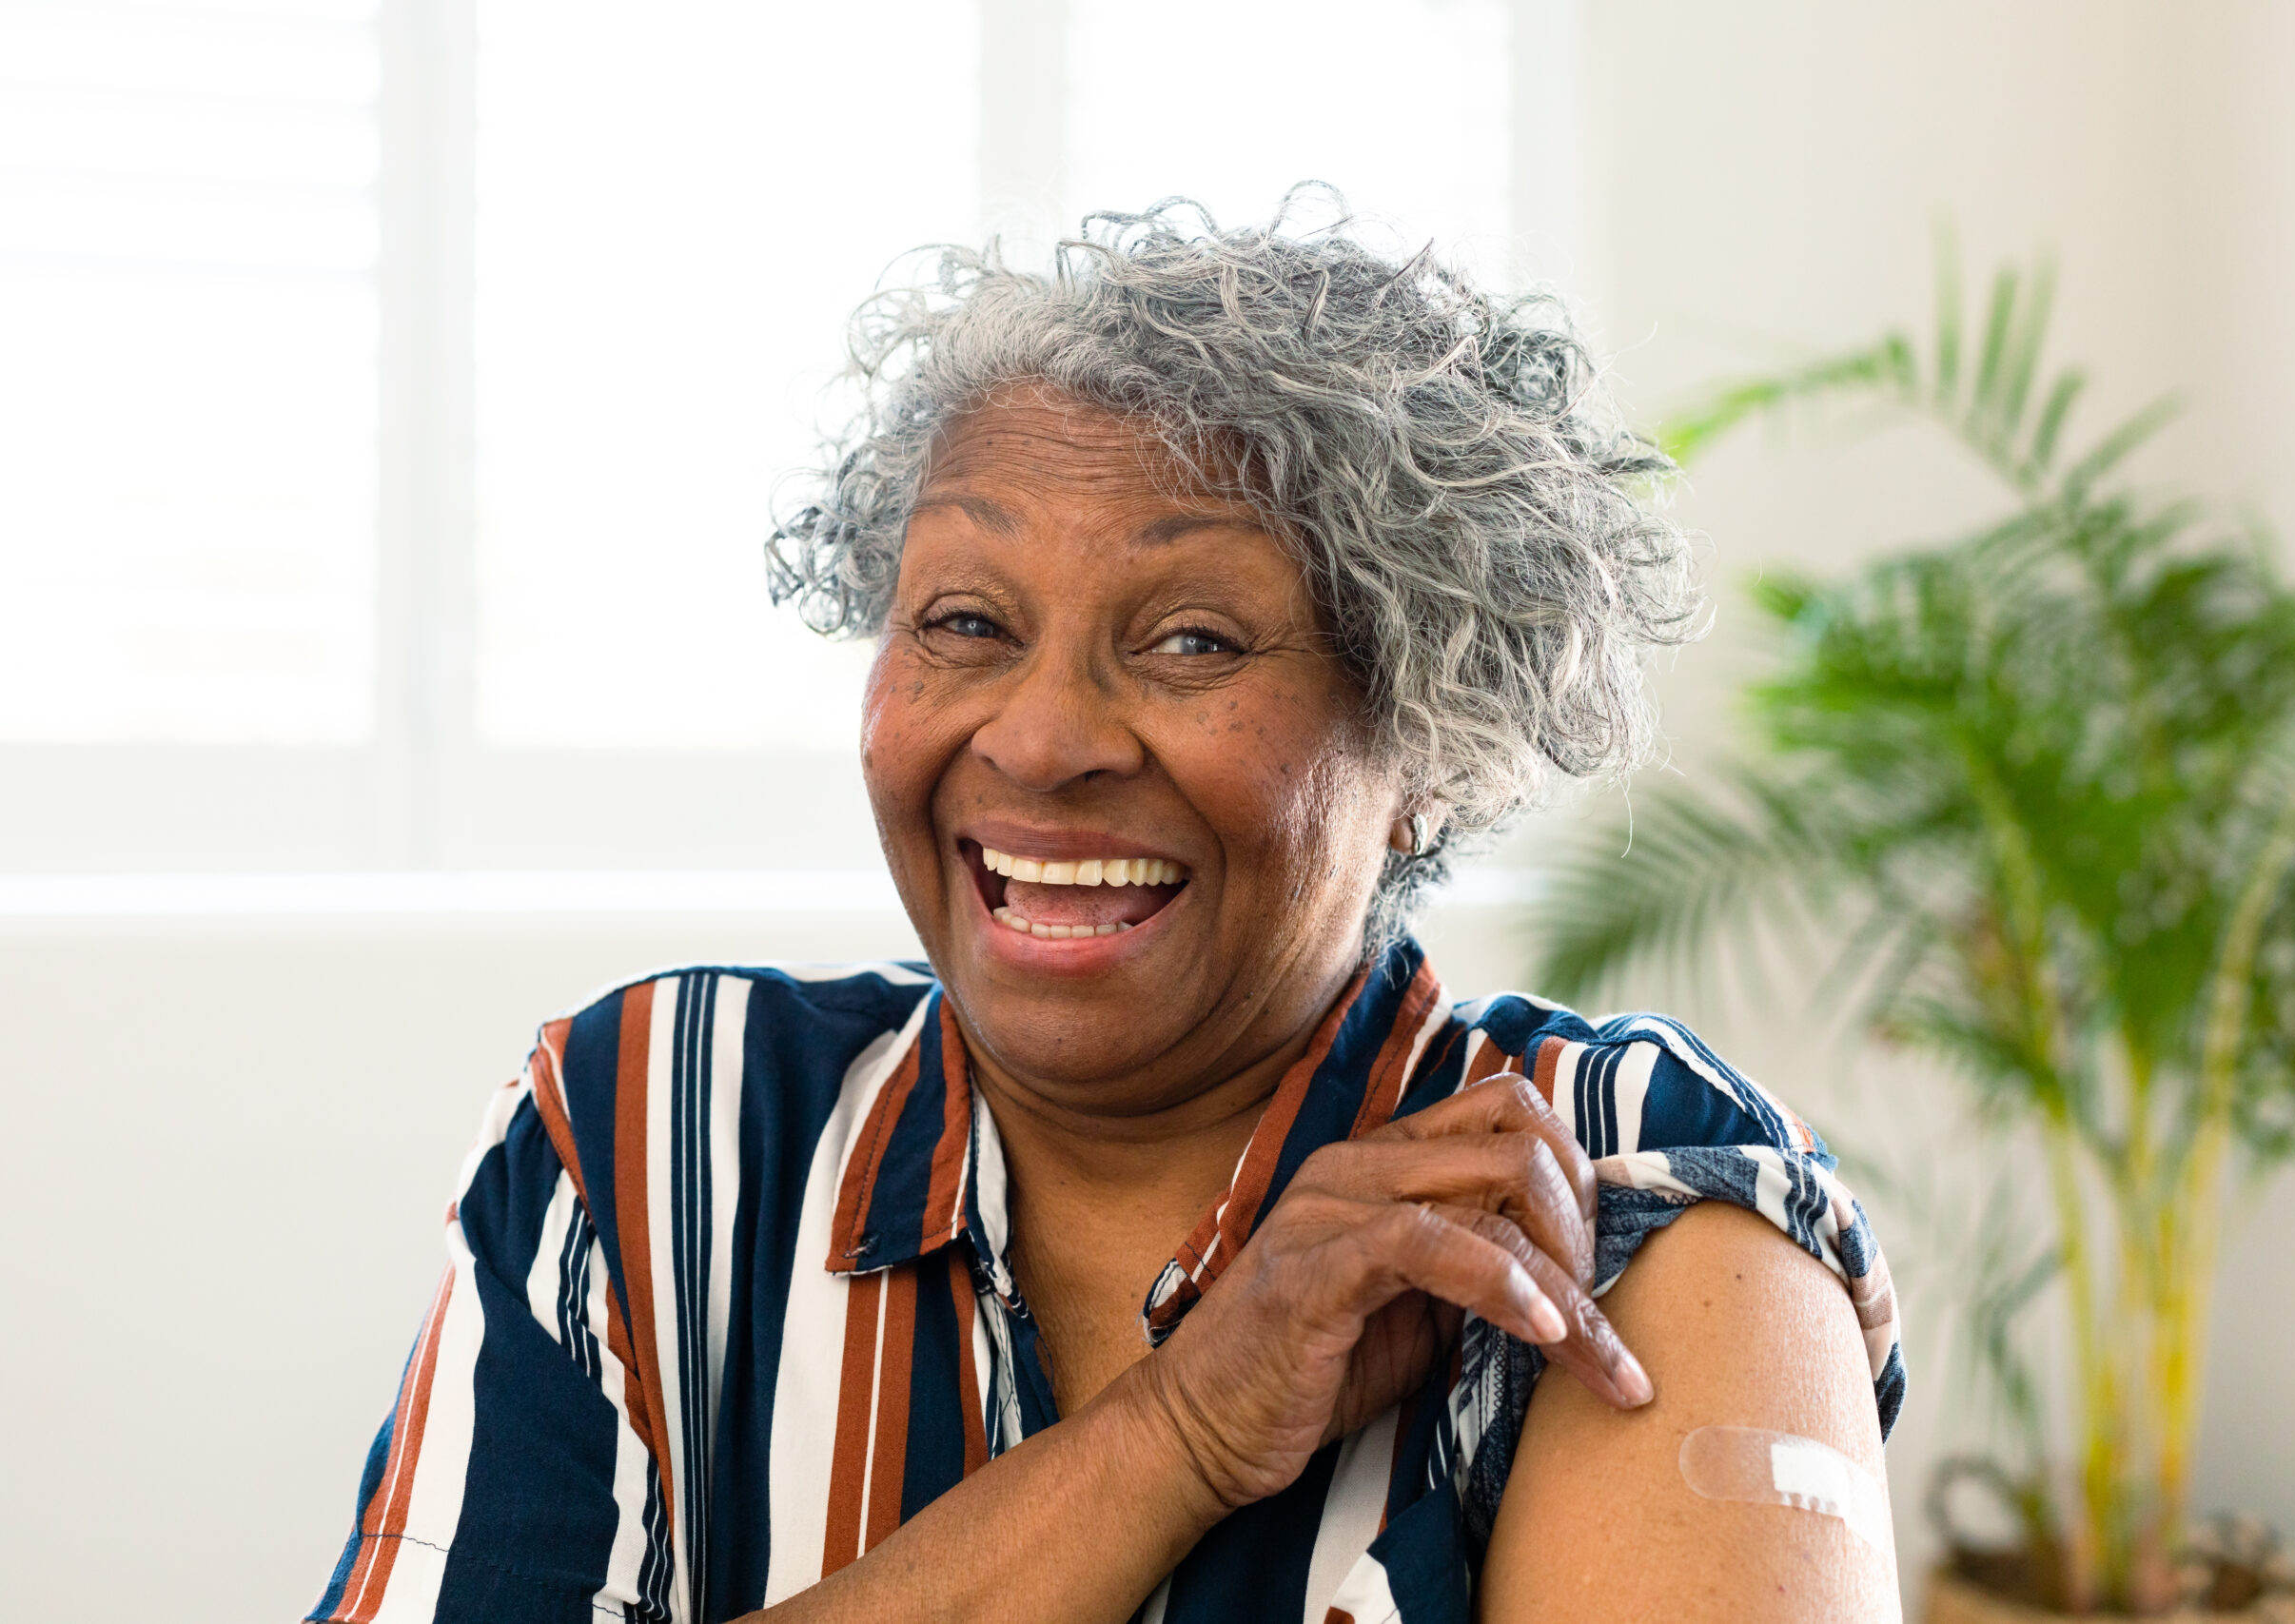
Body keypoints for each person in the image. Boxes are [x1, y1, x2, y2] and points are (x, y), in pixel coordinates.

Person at [305, 195, 1905, 1624]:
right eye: (967, 621)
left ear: (1424, 735)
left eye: (1195, 640)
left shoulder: (1609, 1187)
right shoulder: (659, 1135)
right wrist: (1182, 1433)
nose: (1044, 738)